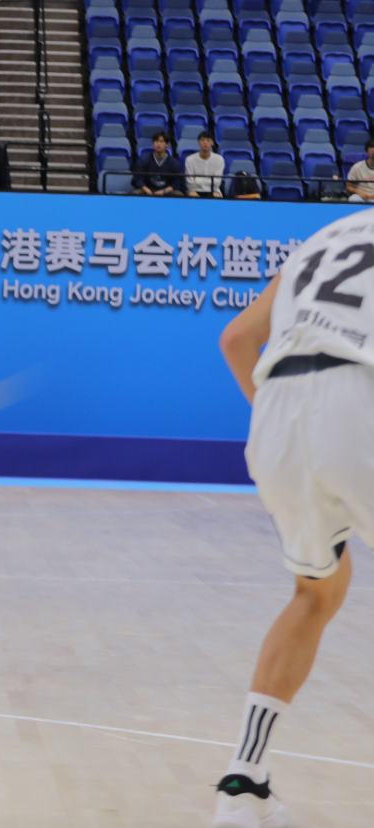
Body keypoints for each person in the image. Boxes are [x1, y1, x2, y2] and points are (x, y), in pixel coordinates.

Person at [211, 209, 374, 828]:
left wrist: (275, 418)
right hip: (360, 395)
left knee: (316, 592)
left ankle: (243, 781)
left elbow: (235, 339)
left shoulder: (325, 237)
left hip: (278, 416)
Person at [133, 131, 186, 195]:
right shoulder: (145, 160)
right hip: (149, 190)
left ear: (167, 144)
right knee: (137, 192)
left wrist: (164, 191)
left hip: (167, 191)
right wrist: (146, 189)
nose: (158, 144)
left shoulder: (174, 162)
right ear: (153, 144)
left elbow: (178, 181)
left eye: (161, 141)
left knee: (178, 194)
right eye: (156, 141)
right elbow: (138, 178)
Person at [186, 131, 225, 198]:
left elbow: (216, 183)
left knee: (216, 196)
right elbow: (189, 183)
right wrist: (209, 181)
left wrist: (196, 179)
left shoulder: (219, 159)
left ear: (212, 143)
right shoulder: (189, 159)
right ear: (198, 143)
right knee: (192, 195)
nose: (205, 142)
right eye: (202, 140)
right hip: (194, 190)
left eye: (208, 140)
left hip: (213, 190)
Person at [346, 137, 374, 203]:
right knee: (352, 199)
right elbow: (349, 186)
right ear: (366, 151)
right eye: (371, 147)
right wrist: (358, 191)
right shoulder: (357, 167)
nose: (373, 149)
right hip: (362, 197)